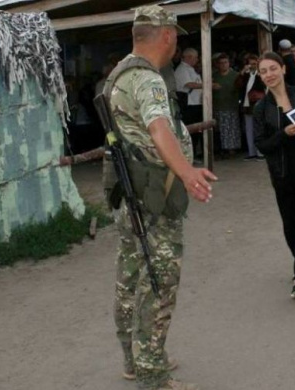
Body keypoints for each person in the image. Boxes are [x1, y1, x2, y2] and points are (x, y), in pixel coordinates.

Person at [109, 5, 217, 390]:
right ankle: (152, 374)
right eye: (176, 37)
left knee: (130, 277)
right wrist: (187, 173)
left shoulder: (119, 72)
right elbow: (158, 128)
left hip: (130, 194)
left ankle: (133, 359)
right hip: (155, 195)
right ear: (168, 35)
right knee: (158, 283)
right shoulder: (148, 80)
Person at [253, 52, 295, 298]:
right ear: (260, 76)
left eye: (273, 68)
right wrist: (285, 133)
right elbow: (262, 145)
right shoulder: (261, 108)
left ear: (283, 69)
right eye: (264, 71)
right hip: (281, 173)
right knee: (289, 224)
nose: (269, 74)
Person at [174, 48, 203, 157]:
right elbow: (189, 84)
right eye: (195, 57)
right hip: (188, 104)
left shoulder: (191, 69)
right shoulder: (182, 69)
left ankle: (195, 152)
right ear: (189, 57)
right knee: (190, 129)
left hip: (195, 103)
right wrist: (207, 84)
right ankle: (190, 154)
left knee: (196, 129)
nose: (197, 60)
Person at [236, 54, 265, 161]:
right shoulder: (245, 75)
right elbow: (238, 85)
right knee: (249, 129)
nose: (252, 66)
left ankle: (260, 152)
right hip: (247, 104)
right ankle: (251, 152)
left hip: (258, 104)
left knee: (259, 129)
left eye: (254, 64)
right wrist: (242, 72)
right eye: (250, 64)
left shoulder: (261, 74)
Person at [212, 53, 241, 155]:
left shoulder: (236, 75)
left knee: (231, 129)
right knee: (218, 130)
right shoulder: (214, 76)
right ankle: (221, 150)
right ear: (218, 64)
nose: (224, 65)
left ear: (229, 63)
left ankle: (231, 150)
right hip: (217, 106)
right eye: (221, 63)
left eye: (225, 62)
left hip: (231, 105)